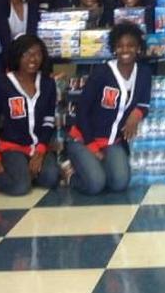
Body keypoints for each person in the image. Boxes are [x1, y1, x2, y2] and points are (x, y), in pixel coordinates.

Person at [65, 24, 153, 194]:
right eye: (120, 46)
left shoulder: (143, 73)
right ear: (114, 49)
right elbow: (82, 111)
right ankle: (70, 174)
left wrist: (137, 113)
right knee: (96, 185)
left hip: (112, 141)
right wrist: (92, 146)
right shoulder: (102, 72)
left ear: (138, 48)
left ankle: (93, 168)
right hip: (84, 139)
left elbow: (144, 102)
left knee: (119, 183)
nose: (125, 50)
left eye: (130, 45)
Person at [0, 35, 60, 195]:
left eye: (37, 53)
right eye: (26, 54)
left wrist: (40, 150)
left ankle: (25, 171)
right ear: (17, 55)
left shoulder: (47, 83)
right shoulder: (0, 83)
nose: (33, 59)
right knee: (21, 187)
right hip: (12, 146)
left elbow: (48, 121)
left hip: (38, 146)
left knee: (52, 178)